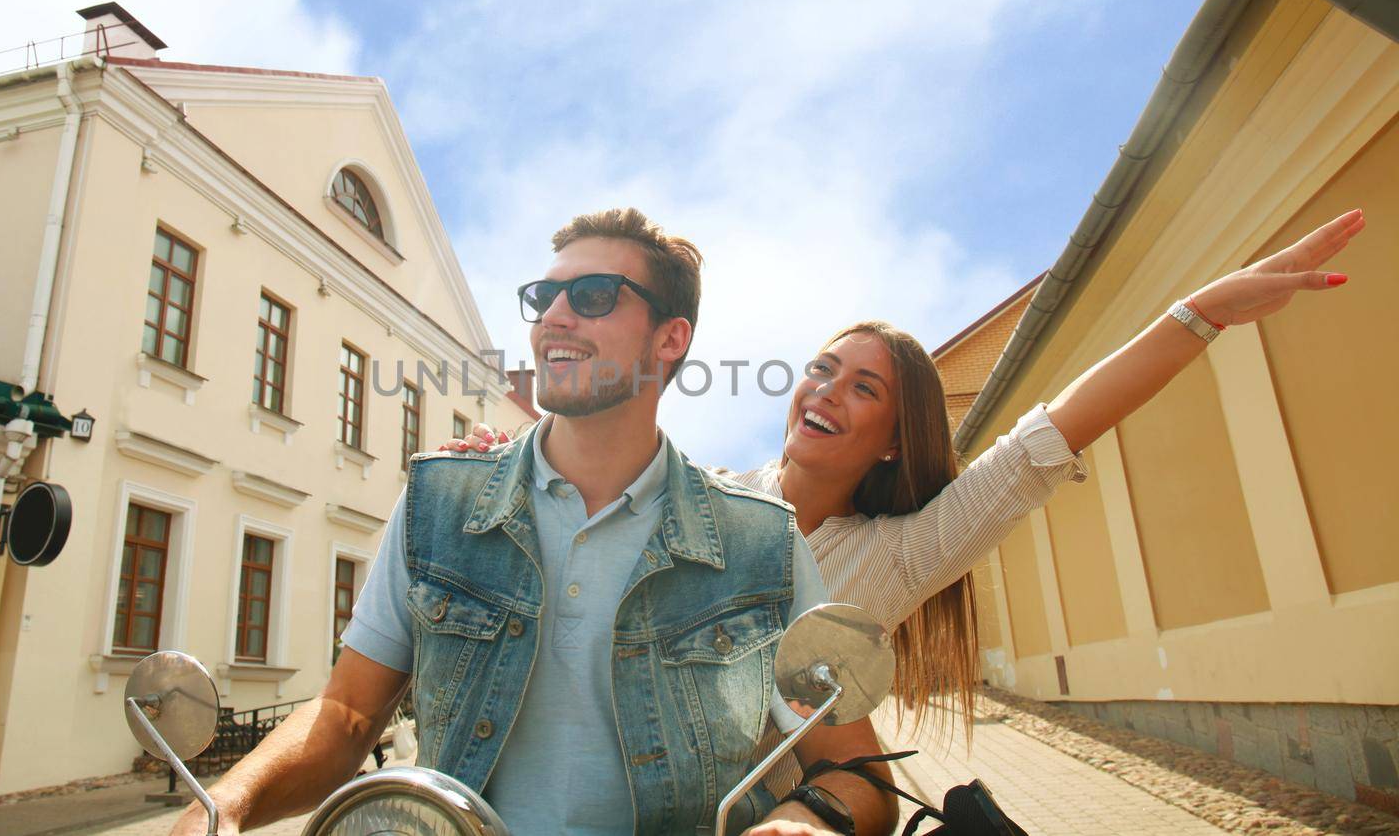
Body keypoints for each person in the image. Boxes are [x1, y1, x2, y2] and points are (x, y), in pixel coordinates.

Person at [454, 208, 1366, 787]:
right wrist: (503, 459)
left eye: (862, 388)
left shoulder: (902, 555)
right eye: (821, 370)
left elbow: (1046, 439)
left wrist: (1200, 312)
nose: (824, 393)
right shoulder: (709, 491)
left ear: (895, 435)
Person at [169, 208, 899, 836]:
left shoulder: (762, 544)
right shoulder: (438, 502)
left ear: (669, 339)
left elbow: (854, 772)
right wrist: (222, 806)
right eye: (544, 297)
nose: (553, 316)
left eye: (591, 295)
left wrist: (807, 821)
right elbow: (348, 718)